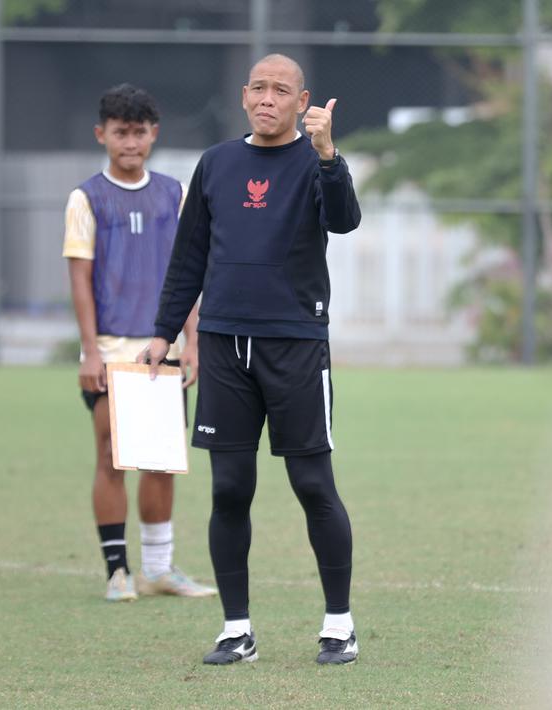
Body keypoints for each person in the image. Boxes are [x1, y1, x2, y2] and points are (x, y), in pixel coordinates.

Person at [138, 54, 362, 666]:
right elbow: (189, 258)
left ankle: (339, 624)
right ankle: (236, 630)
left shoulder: (318, 161)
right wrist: (163, 333)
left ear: (302, 99)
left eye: (281, 90)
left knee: (313, 483)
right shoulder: (216, 164)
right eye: (259, 88)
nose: (268, 98)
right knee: (230, 489)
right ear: (243, 96)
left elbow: (344, 222)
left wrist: (328, 156)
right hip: (222, 345)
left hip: (295, 344)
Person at [63, 83, 215, 603]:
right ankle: (116, 572)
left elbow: (190, 272)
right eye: (120, 132)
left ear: (154, 134)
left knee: (161, 459)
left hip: (163, 349)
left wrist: (191, 341)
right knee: (109, 454)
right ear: (102, 134)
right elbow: (80, 278)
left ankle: (159, 569)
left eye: (140, 132)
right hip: (110, 349)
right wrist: (88, 350)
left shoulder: (174, 193)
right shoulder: (86, 198)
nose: (130, 142)